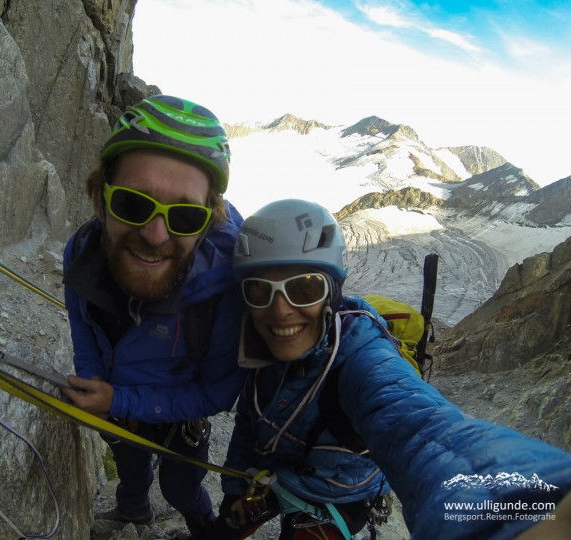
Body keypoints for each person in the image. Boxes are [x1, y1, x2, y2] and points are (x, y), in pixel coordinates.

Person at [203, 199, 571, 539]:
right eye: (259, 291)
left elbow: (421, 428)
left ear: (332, 291)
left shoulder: (360, 355)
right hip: (279, 480)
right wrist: (236, 490)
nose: (280, 309)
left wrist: (511, 510)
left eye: (304, 289)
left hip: (335, 500)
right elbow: (250, 423)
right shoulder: (258, 349)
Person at [61, 95, 247, 537]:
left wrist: (116, 401)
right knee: (130, 465)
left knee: (181, 485)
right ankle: (133, 510)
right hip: (116, 403)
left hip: (179, 416)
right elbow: (84, 330)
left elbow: (218, 393)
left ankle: (205, 528)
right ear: (102, 195)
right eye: (133, 204)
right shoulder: (81, 254)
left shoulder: (225, 290)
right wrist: (96, 388)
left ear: (209, 220)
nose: (155, 235)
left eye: (184, 216)